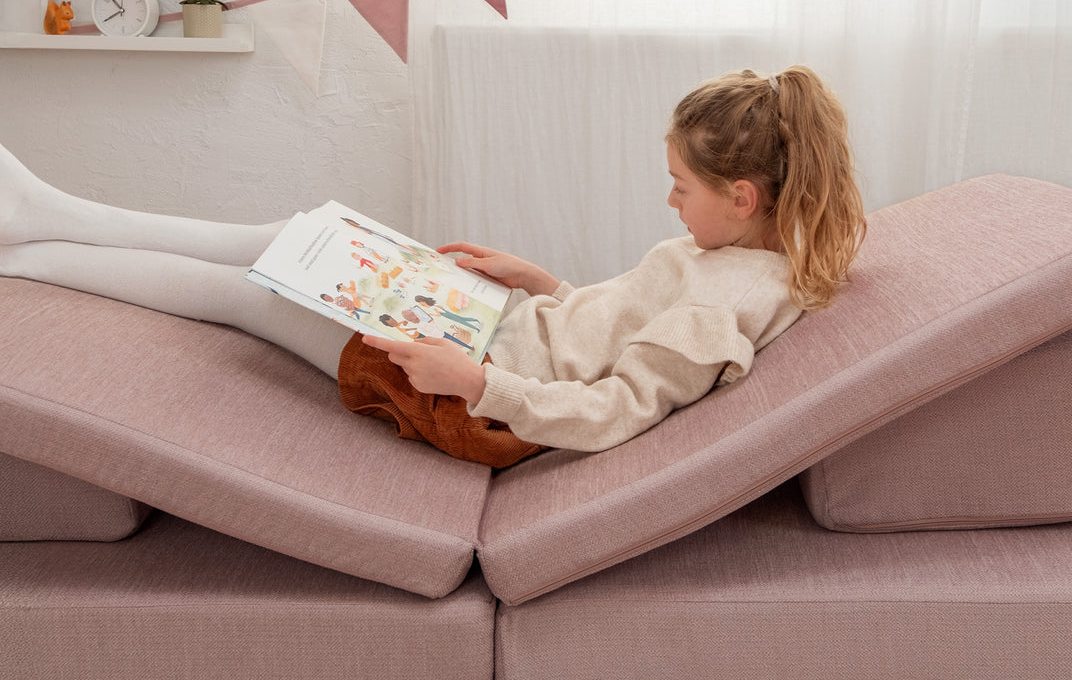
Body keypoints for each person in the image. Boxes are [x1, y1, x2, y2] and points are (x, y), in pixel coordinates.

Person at [0, 66, 866, 468]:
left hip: (483, 400)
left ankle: (34, 251)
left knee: (245, 293)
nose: (669, 202)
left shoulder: (725, 308)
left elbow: (615, 407)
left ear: (744, 195)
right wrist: (545, 285)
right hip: (496, 333)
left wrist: (476, 382)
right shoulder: (733, 250)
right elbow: (614, 329)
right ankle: (51, 216)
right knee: (287, 235)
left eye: (681, 187)